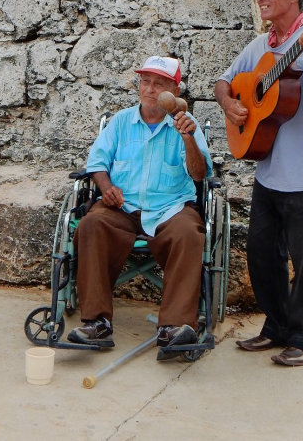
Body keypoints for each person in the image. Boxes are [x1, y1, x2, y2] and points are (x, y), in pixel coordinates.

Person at [215, 0, 303, 367]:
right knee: (262, 253)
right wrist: (231, 104)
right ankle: (276, 327)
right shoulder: (259, 46)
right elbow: (223, 82)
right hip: (268, 169)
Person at [67, 55, 212, 361]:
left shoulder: (186, 124)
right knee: (91, 225)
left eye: (159, 84)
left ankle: (174, 326)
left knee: (190, 233)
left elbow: (199, 175)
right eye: (145, 81)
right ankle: (97, 324)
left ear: (175, 90)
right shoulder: (121, 122)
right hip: (123, 207)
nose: (149, 89)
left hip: (171, 208)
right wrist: (106, 190)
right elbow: (97, 163)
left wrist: (187, 138)